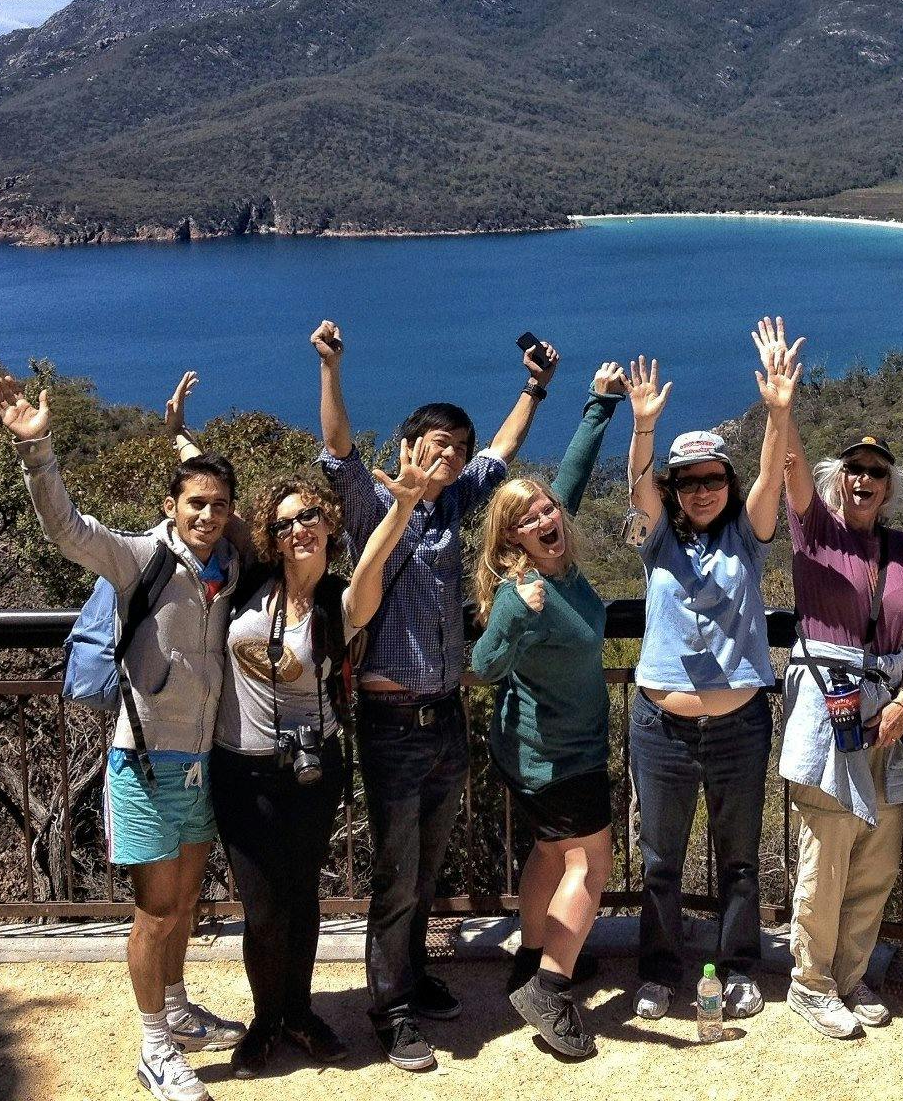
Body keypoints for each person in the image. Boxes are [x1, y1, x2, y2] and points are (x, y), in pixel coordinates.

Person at [0, 373, 247, 1101]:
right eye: (195, 503)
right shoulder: (141, 558)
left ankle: (175, 1009)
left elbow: (216, 487)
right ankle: (154, 1048)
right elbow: (67, 529)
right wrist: (36, 447)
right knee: (156, 909)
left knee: (186, 903)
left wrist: (184, 437)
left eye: (218, 505)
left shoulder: (226, 571)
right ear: (170, 507)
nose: (207, 514)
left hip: (197, 763)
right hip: (141, 762)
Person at [313, 318, 559, 1073]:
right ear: (410, 445)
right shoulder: (371, 505)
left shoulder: (453, 506)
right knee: (395, 872)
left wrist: (535, 387)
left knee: (427, 868)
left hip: (446, 718)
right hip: (390, 723)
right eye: (436, 444)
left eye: (456, 445)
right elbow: (338, 451)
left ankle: (412, 978)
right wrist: (331, 368)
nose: (449, 454)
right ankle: (388, 1010)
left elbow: (503, 451)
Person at [621, 321, 800, 1023]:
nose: (701, 492)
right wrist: (642, 428)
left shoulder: (748, 541)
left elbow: (769, 475)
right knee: (660, 862)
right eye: (688, 481)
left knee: (740, 860)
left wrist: (779, 410)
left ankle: (738, 967)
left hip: (739, 726)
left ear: (725, 481)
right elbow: (639, 490)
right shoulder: (657, 540)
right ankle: (660, 973)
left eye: (711, 479)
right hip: (660, 726)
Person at [465, 361, 626, 1059]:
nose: (544, 517)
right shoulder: (521, 591)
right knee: (591, 868)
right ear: (512, 543)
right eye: (528, 519)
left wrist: (600, 403)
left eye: (547, 510)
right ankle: (551, 988)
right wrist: (513, 620)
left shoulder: (557, 555)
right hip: (557, 755)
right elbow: (481, 668)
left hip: (541, 751)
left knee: (551, 853)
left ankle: (533, 956)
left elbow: (574, 476)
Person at [777, 373, 903, 1040]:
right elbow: (789, 465)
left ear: (889, 486)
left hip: (888, 710)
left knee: (878, 854)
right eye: (855, 470)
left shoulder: (901, 549)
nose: (865, 479)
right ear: (838, 480)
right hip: (827, 703)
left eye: (877, 472)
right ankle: (809, 983)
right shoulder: (815, 529)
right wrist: (782, 406)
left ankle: (847, 974)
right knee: (828, 848)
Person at [207, 472, 359, 1079]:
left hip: (311, 767)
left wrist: (400, 504)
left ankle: (297, 1012)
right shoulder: (250, 579)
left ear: (330, 526)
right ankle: (265, 1020)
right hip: (239, 766)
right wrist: (181, 439)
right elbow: (221, 508)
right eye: (287, 521)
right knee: (262, 906)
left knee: (301, 898)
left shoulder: (337, 599)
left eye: (312, 517)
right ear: (271, 535)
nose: (300, 528)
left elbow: (375, 562)